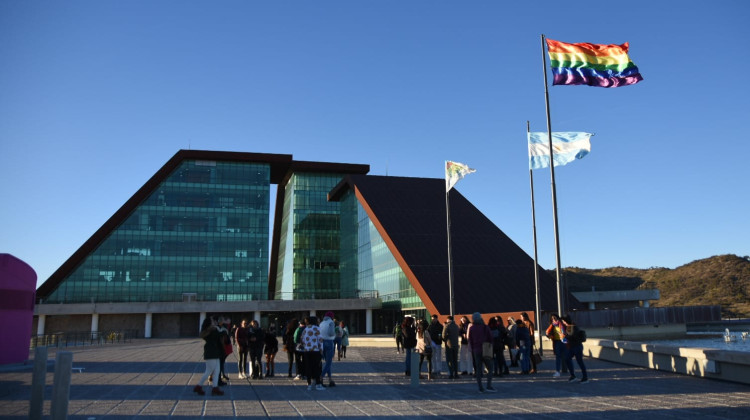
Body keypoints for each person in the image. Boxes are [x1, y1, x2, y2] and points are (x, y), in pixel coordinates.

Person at [193, 316, 224, 396]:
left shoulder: (213, 330)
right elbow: (218, 335)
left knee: (217, 371)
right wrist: (223, 331)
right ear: (209, 323)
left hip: (215, 353)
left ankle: (215, 388)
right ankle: (199, 386)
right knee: (208, 371)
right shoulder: (211, 331)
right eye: (213, 320)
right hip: (211, 353)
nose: (215, 321)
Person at [467, 312, 496, 393]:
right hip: (485, 349)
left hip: (476, 350)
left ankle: (480, 387)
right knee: (490, 368)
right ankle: (488, 385)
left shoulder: (472, 328)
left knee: (478, 370)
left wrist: (472, 349)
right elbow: (490, 338)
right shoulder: (485, 327)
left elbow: (470, 340)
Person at [301, 316, 325, 391]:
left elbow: (302, 339)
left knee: (308, 367)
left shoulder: (306, 329)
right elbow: (320, 340)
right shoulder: (317, 328)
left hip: (307, 351)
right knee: (316, 367)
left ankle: (309, 384)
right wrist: (321, 350)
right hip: (315, 350)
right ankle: (318, 384)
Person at [562, 316, 588, 383]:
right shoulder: (574, 326)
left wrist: (564, 337)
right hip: (576, 346)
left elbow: (570, 337)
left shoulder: (570, 327)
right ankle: (578, 376)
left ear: (566, 321)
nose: (563, 323)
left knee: (577, 361)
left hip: (575, 346)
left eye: (563, 321)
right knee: (574, 360)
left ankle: (583, 377)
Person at [546, 313, 567, 378]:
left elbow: (567, 332)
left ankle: (567, 370)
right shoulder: (552, 325)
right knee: (558, 357)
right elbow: (548, 332)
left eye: (555, 318)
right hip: (557, 342)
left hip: (564, 341)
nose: (554, 320)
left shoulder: (562, 324)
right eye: (552, 319)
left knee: (566, 357)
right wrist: (549, 335)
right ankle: (558, 371)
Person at [319, 311, 337, 387]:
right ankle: (321, 377)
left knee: (327, 362)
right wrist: (335, 333)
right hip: (329, 342)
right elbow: (331, 333)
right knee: (329, 362)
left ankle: (330, 379)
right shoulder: (331, 322)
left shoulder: (322, 323)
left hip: (322, 342)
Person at [442, 315, 459, 379]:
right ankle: (456, 373)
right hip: (456, 344)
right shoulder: (456, 326)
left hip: (449, 345)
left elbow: (443, 335)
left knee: (449, 360)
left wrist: (445, 339)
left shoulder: (447, 326)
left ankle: (451, 373)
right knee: (455, 360)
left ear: (448, 320)